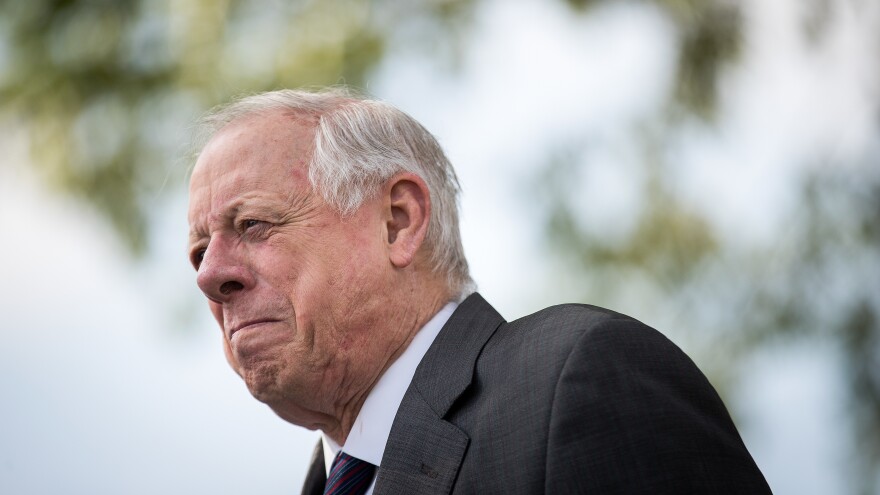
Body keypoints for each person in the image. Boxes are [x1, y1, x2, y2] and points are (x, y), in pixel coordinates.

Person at [187, 87, 772, 494]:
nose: (210, 275)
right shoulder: (330, 480)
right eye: (198, 251)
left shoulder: (579, 381)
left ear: (398, 221)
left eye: (253, 225)